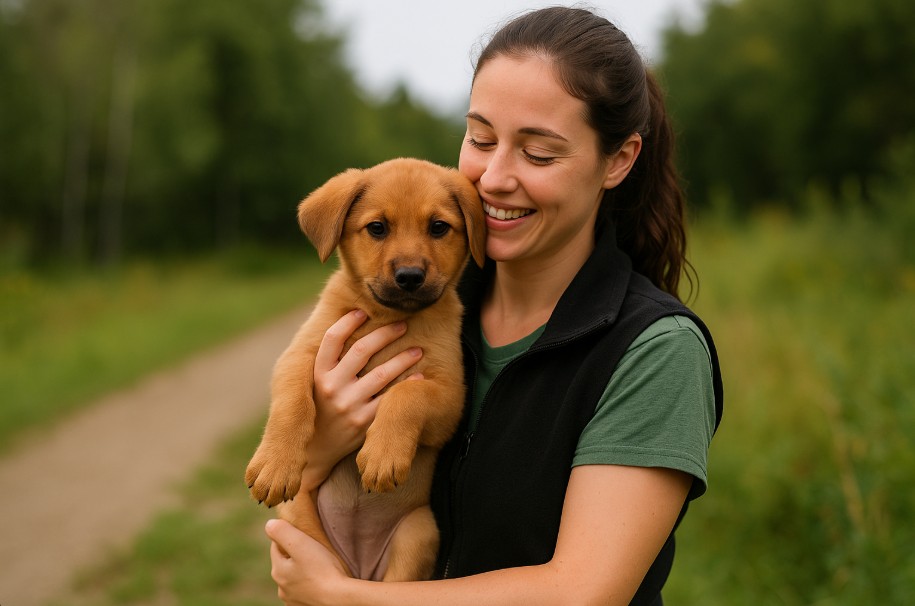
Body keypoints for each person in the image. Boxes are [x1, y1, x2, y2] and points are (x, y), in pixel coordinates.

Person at [265, 6, 723, 605]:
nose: (494, 178)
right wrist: (319, 440)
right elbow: (300, 484)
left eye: (538, 153)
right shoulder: (441, 298)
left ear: (618, 160)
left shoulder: (653, 351)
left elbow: (582, 593)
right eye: (481, 139)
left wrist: (344, 597)